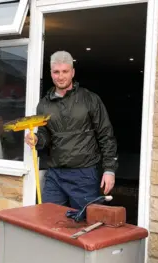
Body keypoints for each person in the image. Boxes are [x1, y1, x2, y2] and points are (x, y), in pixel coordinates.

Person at [26, 51, 118, 210]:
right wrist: (37, 139)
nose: (60, 76)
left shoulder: (90, 99)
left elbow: (106, 136)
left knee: (88, 223)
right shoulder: (44, 105)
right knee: (49, 219)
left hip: (85, 174)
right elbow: (45, 136)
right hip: (55, 174)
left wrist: (109, 170)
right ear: (51, 73)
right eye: (56, 72)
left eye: (65, 71)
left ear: (72, 72)